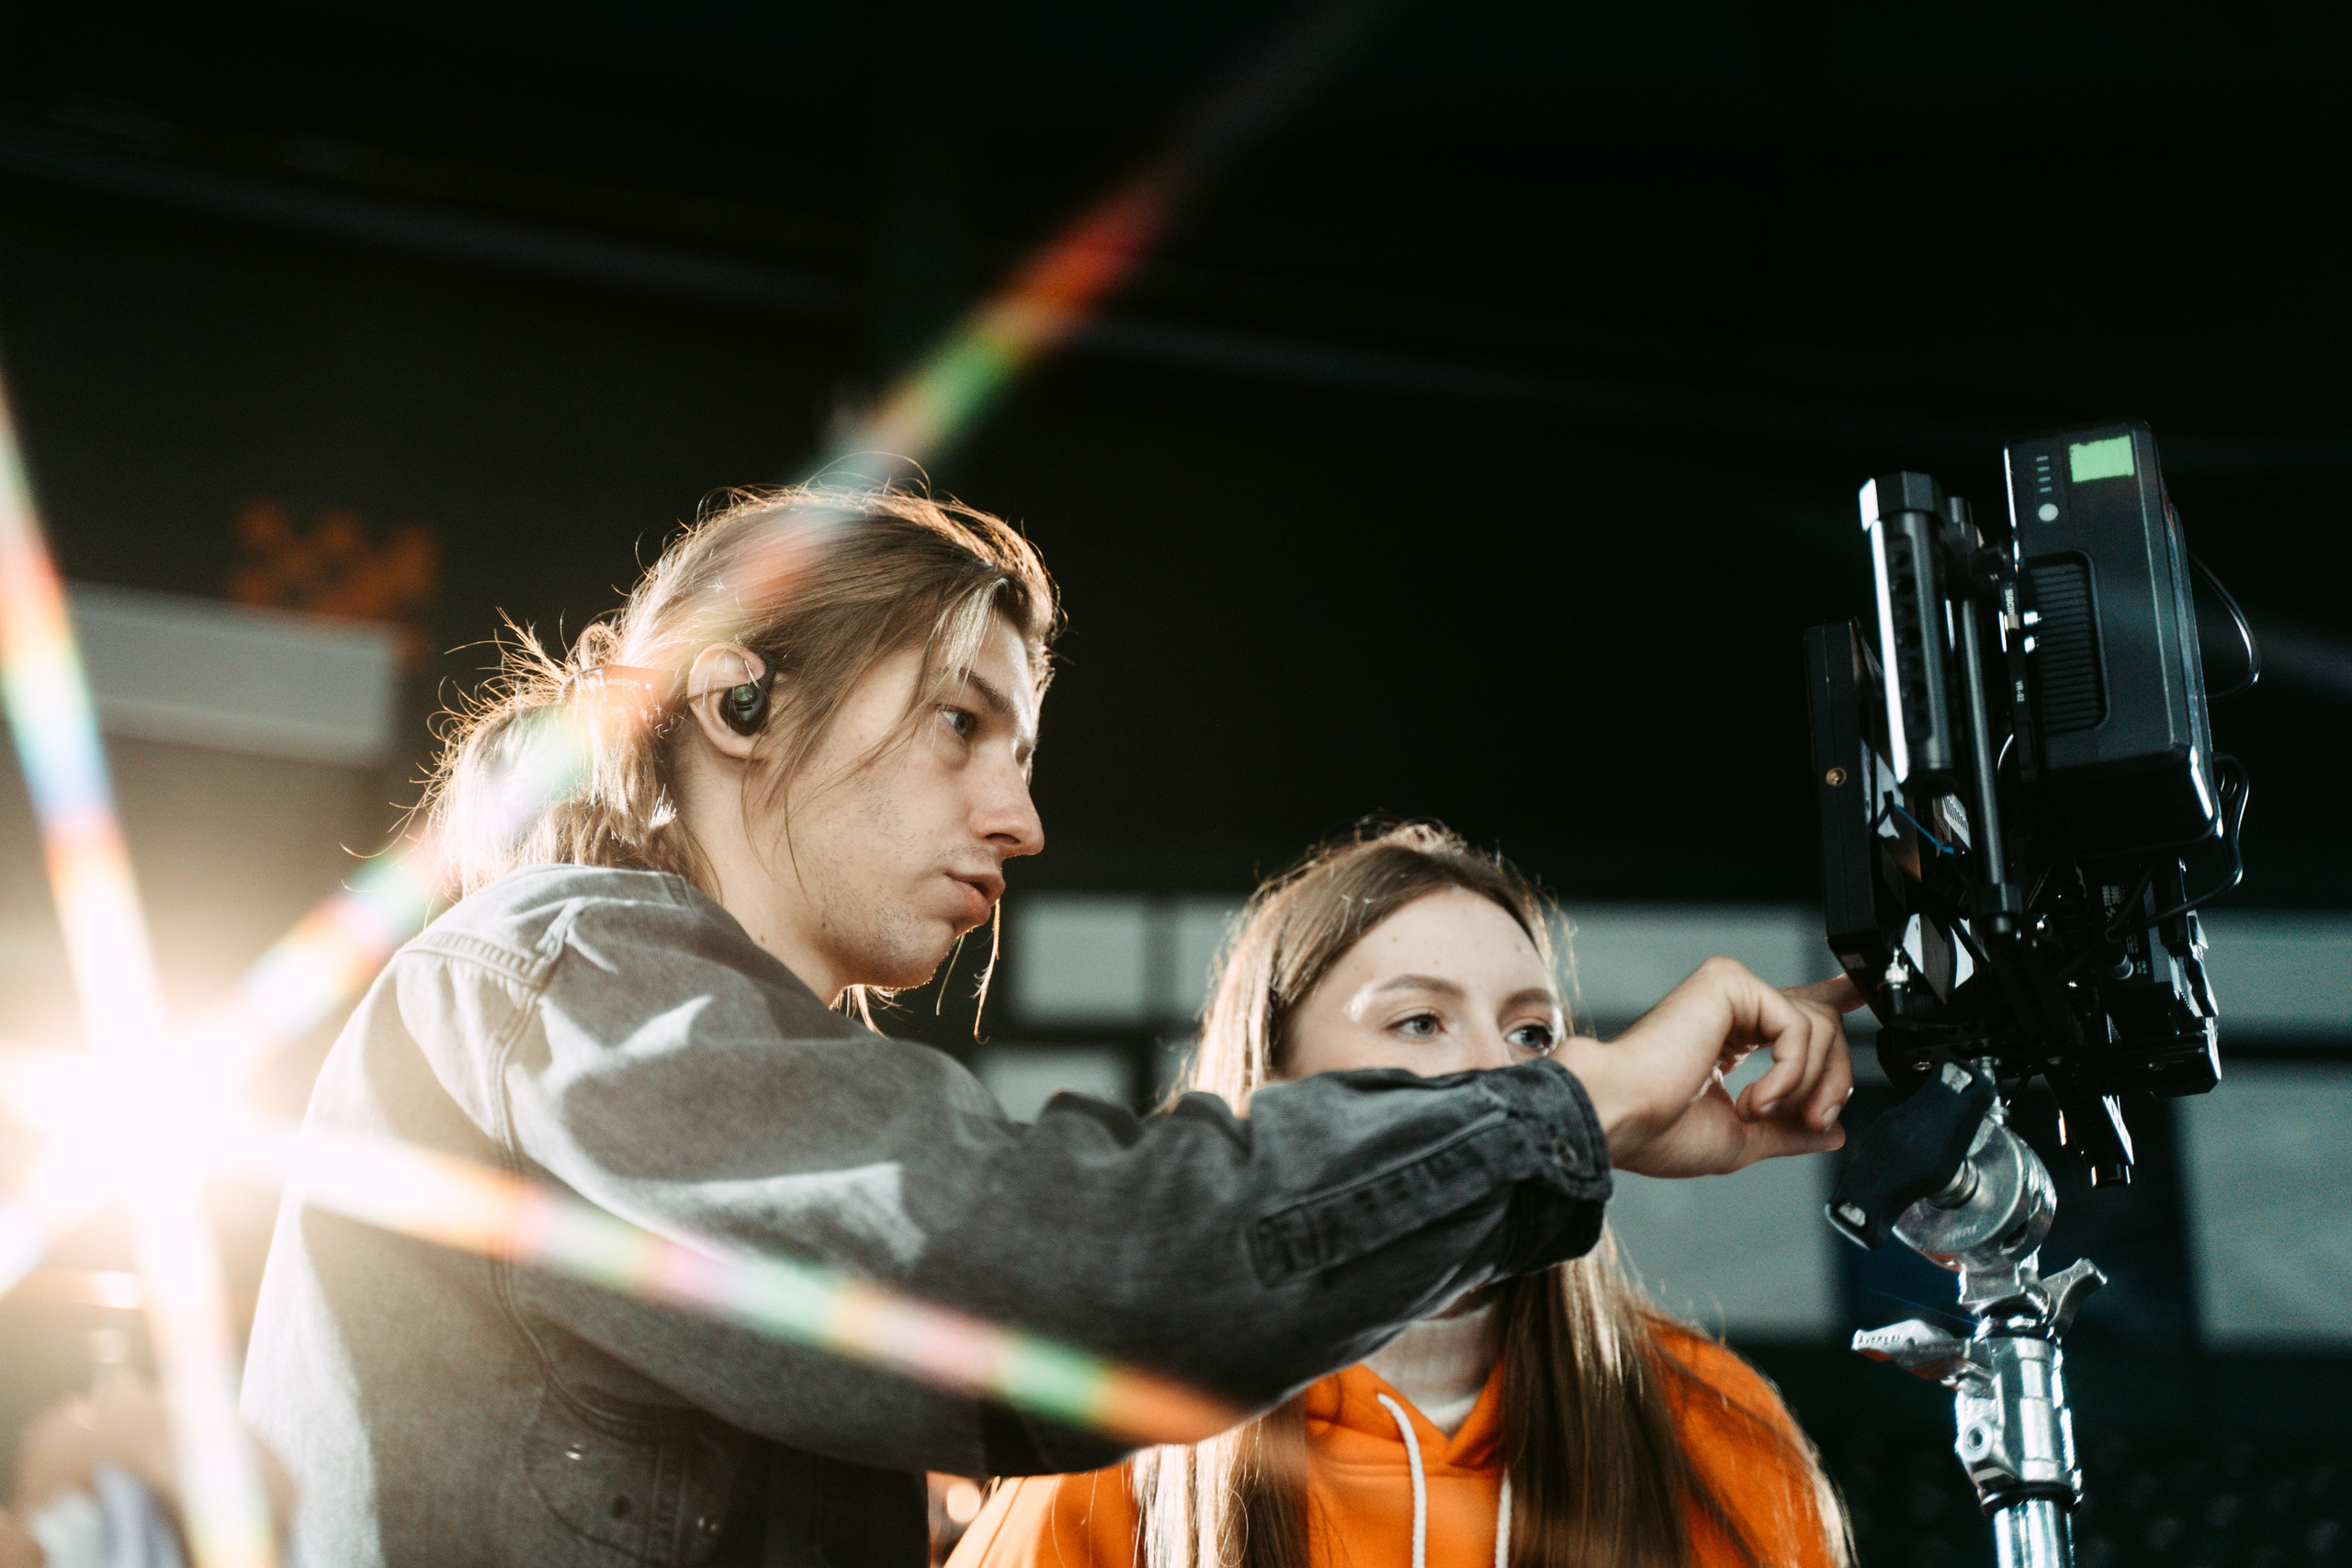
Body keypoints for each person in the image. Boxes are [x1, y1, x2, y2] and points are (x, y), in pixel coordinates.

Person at [238, 486, 1855, 1567]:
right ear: (741, 705)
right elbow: (1058, 1264)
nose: (1021, 820)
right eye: (963, 723)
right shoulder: (560, 981)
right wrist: (1572, 1103)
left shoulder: (664, 1029)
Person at [952, 824, 1851, 1568]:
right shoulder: (1113, 1447)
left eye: (1533, 1033)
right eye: (1419, 1021)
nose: (1498, 1072)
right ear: (1276, 1091)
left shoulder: (1712, 1431)